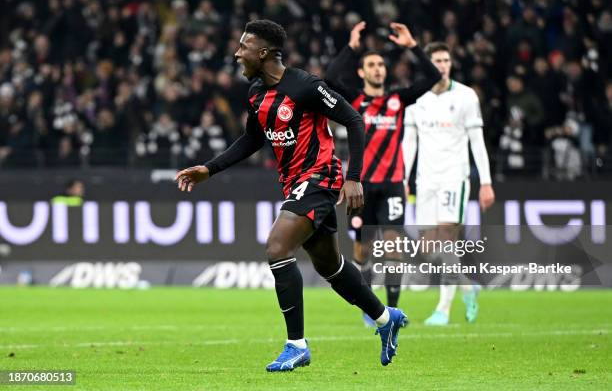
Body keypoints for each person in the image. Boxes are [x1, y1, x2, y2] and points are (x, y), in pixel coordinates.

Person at [174, 20, 407, 371]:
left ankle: (296, 344)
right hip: (293, 181)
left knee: (277, 247)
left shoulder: (305, 85)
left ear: (264, 52)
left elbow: (354, 120)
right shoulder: (255, 92)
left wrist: (354, 177)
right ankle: (384, 318)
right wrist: (210, 169)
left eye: (244, 46)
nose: (238, 53)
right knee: (330, 266)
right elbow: (253, 138)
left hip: (321, 176)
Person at [326, 21, 440, 324]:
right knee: (362, 250)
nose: (378, 69)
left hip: (392, 185)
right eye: (371, 65)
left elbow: (433, 76)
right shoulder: (354, 100)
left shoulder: (398, 100)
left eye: (380, 65)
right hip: (360, 187)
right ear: (362, 72)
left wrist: (412, 45)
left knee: (393, 247)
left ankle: (391, 311)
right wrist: (351, 47)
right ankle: (368, 306)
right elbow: (329, 78)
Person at [403, 42, 495, 326]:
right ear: (428, 65)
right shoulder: (415, 99)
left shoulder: (466, 96)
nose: (442, 66)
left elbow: (477, 143)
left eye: (446, 60)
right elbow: (409, 143)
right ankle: (468, 286)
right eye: (437, 61)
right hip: (425, 180)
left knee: (446, 239)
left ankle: (443, 308)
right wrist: (404, 179)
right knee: (431, 249)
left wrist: (486, 182)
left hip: (455, 177)